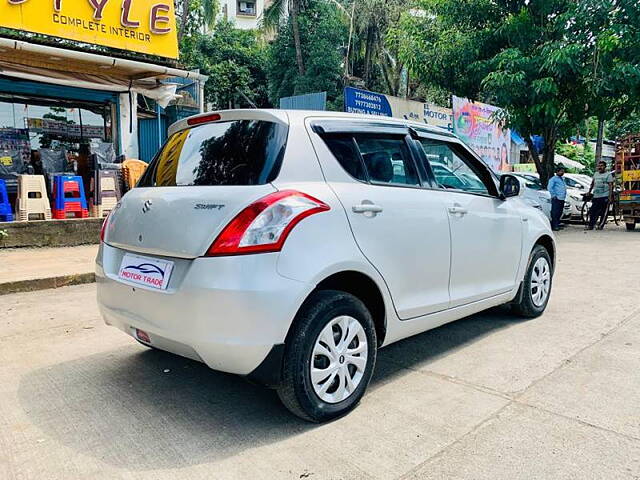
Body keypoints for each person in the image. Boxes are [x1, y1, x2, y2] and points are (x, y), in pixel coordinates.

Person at [586, 160, 614, 230]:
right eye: (599, 166)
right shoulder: (596, 174)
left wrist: (610, 197)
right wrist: (589, 192)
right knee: (593, 211)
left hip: (605, 195)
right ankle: (591, 225)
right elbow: (592, 183)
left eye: (601, 166)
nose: (600, 167)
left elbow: (611, 186)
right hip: (596, 195)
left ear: (605, 167)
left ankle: (601, 225)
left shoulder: (608, 175)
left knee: (603, 212)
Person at [548, 166, 567, 231]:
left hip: (562, 198)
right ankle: (554, 225)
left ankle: (557, 224)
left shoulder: (562, 179)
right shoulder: (553, 179)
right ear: (557, 172)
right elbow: (550, 188)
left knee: (559, 212)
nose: (563, 172)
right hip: (556, 198)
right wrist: (553, 195)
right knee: (555, 212)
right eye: (561, 171)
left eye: (563, 171)